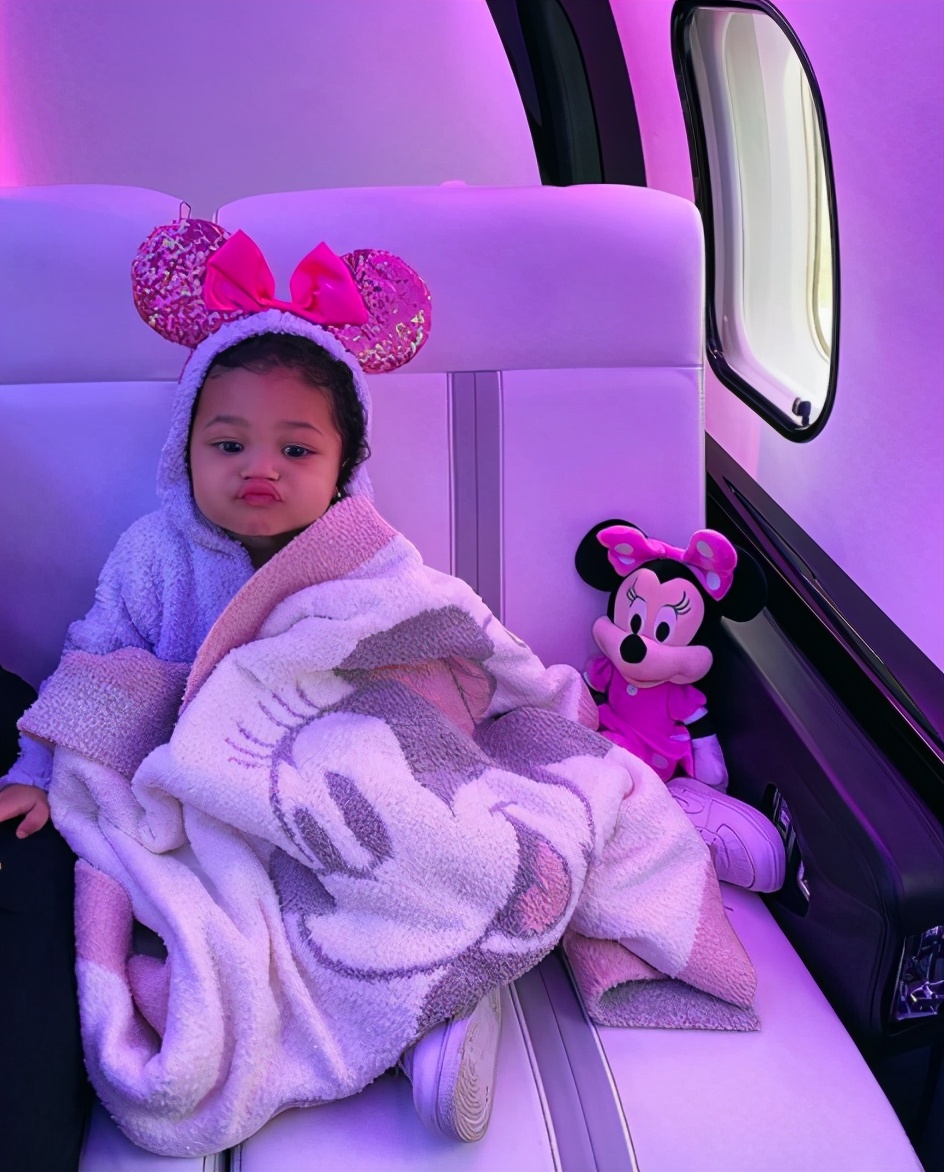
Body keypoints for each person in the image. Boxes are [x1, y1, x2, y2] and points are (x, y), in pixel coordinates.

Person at [0, 227, 503, 1164]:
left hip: (320, 772)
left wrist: (475, 708)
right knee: (190, 910)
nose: (258, 467)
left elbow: (428, 635)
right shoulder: (154, 555)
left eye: (295, 448)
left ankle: (439, 1009)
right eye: (227, 443)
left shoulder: (362, 557)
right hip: (192, 784)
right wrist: (35, 767)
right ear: (185, 450)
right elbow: (96, 661)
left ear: (343, 465)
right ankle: (279, 1021)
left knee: (389, 853)